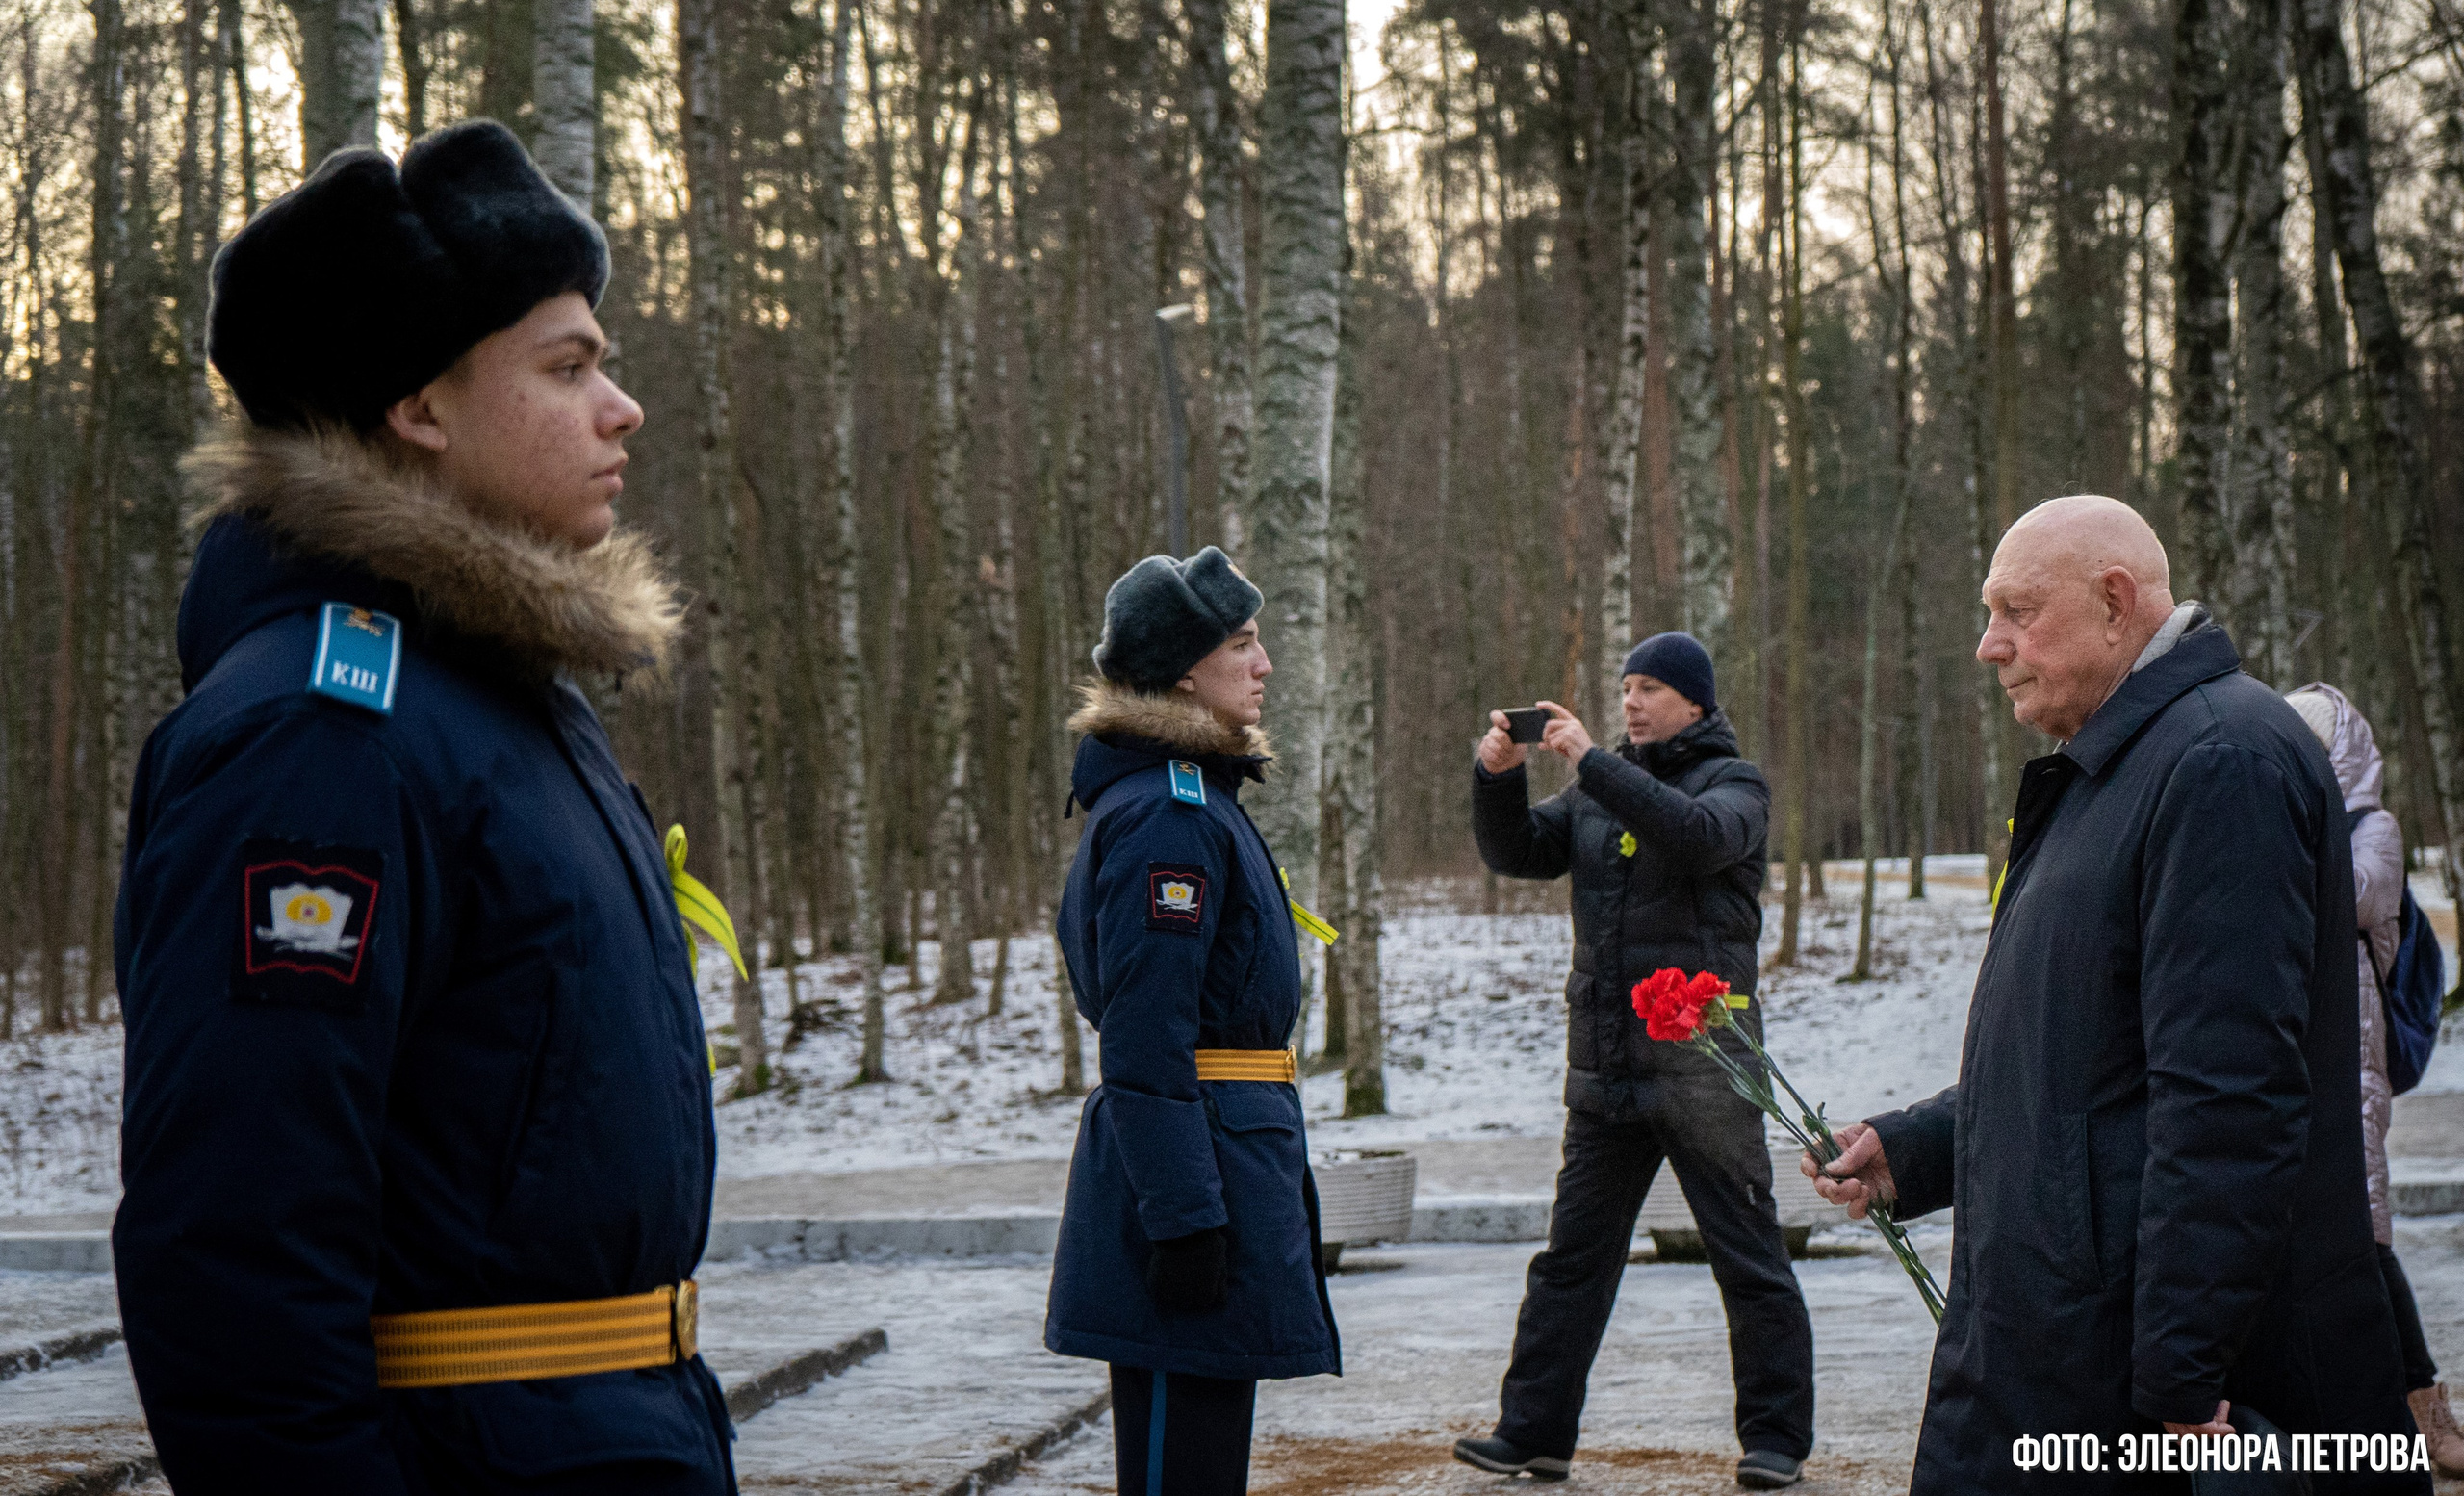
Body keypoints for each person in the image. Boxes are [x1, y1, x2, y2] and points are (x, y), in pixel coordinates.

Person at [114, 122, 733, 1493]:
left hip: (612, 1433)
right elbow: (236, 1249)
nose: (619, 406)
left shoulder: (497, 704)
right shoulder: (317, 736)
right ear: (419, 406)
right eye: (569, 366)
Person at [1810, 495, 2424, 1494]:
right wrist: (1919, 1149)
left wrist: (2183, 1379)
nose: (1987, 645)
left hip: (2129, 1395)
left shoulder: (2219, 762)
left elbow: (2229, 1099)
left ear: (2112, 601)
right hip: (2071, 1357)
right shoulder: (2124, 764)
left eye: (2015, 611)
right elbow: (2098, 1062)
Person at [1453, 632, 1814, 1492]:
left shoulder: (1737, 786)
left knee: (1747, 1256)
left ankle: (1776, 1441)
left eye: (1650, 688)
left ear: (1695, 702)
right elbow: (1517, 854)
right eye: (1625, 688)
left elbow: (1693, 838)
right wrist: (1498, 778)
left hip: (1706, 1070)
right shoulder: (1597, 795)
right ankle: (1532, 1433)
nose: (1631, 703)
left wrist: (1591, 764)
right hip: (1608, 1070)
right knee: (1570, 1262)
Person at [1043, 548, 1341, 1496]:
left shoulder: (1196, 799)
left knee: (1202, 1458)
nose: (1262, 665)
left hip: (1221, 1159)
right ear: (1182, 670)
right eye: (1242, 644)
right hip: (1196, 1172)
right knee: (1182, 1468)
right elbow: (1144, 1033)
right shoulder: (1168, 819)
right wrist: (1183, 1218)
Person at [2286, 684, 2464, 1474]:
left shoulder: (2373, 829)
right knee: (2336, 1236)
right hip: (2312, 1056)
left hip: (2357, 1063)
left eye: (2313, 755)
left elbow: (2358, 899)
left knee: (2366, 1236)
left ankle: (2429, 1412)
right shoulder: (2314, 830)